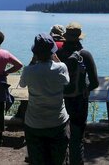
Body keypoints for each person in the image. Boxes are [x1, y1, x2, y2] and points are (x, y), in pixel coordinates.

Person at [19, 33, 70, 165]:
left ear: (35, 52)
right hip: (58, 122)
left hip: (34, 123)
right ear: (52, 51)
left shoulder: (28, 70)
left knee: (37, 161)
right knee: (59, 160)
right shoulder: (61, 68)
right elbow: (67, 82)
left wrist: (33, 60)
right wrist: (56, 57)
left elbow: (22, 84)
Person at [57, 22, 99, 165]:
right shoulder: (85, 55)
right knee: (77, 137)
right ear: (79, 38)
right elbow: (95, 82)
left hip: (60, 102)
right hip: (79, 102)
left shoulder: (58, 54)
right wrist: (86, 89)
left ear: (65, 37)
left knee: (61, 137)